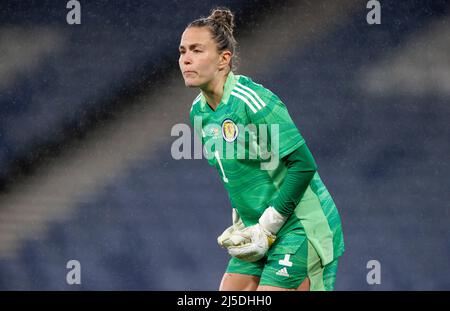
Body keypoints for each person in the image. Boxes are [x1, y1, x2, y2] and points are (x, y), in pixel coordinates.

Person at [178, 7, 344, 291]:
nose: (186, 59)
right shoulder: (199, 113)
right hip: (258, 229)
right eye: (182, 51)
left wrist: (269, 223)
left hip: (299, 226)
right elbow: (238, 170)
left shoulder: (253, 102)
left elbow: (303, 166)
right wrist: (243, 217)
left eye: (196, 50)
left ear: (223, 59)